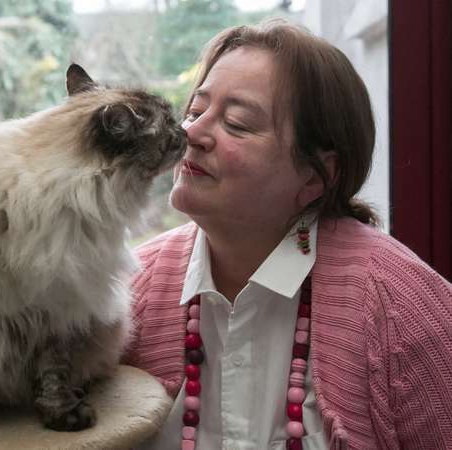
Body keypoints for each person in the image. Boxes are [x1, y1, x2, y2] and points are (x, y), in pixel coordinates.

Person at [122, 19, 452, 450]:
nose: (192, 134)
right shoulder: (124, 292)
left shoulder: (403, 308)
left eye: (237, 123)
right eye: (195, 111)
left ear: (317, 177)